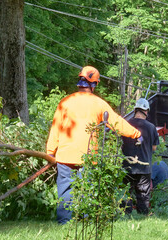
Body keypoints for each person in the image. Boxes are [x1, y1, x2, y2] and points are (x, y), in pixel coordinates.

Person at [46, 66, 142, 224]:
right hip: (89, 157)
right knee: (87, 190)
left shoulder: (65, 102)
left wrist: (50, 151)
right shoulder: (99, 104)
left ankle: (64, 223)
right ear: (94, 84)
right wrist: (136, 134)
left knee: (65, 191)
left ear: (80, 82)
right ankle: (84, 222)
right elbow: (116, 123)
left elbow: (55, 127)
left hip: (65, 156)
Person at [121, 98, 159, 215]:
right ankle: (142, 215)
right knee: (143, 195)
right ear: (146, 111)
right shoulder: (151, 127)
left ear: (135, 110)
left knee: (126, 192)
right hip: (144, 166)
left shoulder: (125, 124)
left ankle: (125, 214)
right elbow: (154, 148)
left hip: (127, 166)